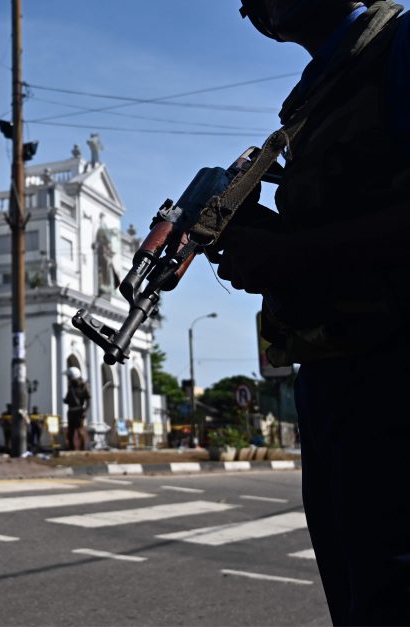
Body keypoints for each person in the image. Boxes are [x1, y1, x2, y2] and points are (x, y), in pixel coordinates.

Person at [221, 2, 410, 623]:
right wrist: (264, 250)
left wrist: (293, 254)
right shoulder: (318, 89)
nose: (249, 7)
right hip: (334, 373)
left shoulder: (400, 46)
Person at [63, 367, 90, 451]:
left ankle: (82, 448)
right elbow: (68, 400)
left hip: (77, 412)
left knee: (79, 431)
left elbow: (88, 399)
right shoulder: (72, 387)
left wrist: (84, 411)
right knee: (71, 431)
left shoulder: (83, 387)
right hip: (72, 412)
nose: (68, 378)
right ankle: (72, 449)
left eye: (69, 377)